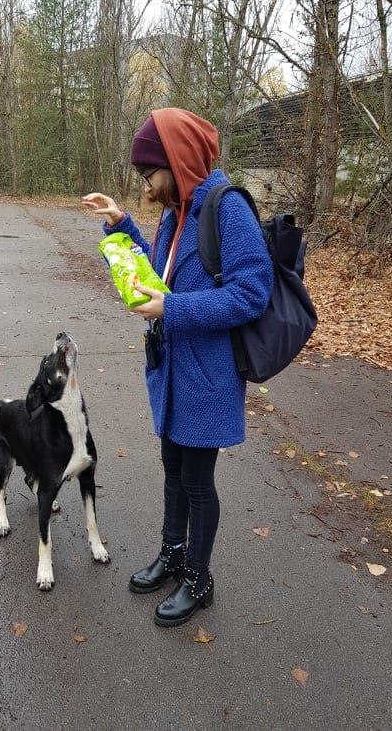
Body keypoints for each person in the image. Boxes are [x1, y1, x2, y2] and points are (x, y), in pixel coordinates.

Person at [82, 108, 273, 628]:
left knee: (196, 480)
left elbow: (253, 293)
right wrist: (123, 227)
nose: (147, 188)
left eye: (150, 175)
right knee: (171, 468)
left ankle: (199, 577)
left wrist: (174, 310)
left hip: (207, 374)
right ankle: (172, 555)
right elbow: (162, 273)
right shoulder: (175, 210)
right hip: (171, 370)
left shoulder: (226, 208)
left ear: (177, 160)